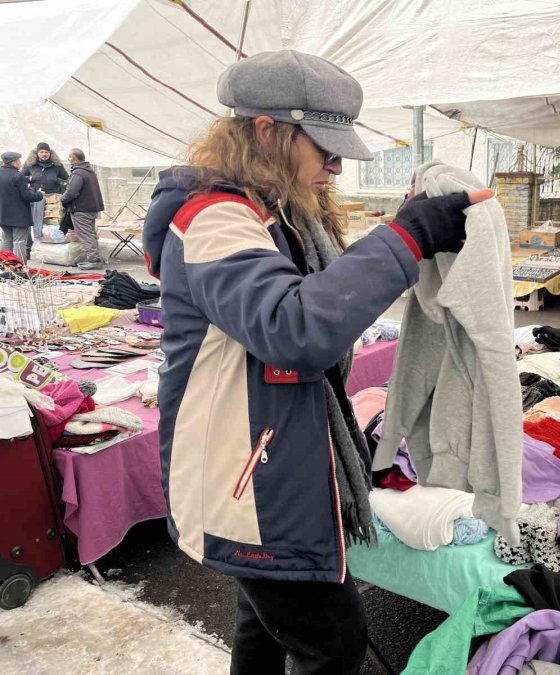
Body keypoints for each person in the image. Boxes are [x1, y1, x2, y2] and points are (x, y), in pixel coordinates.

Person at [141, 50, 492, 675]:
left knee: (267, 624)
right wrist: (405, 238)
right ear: (267, 131)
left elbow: (318, 292)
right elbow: (294, 326)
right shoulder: (216, 220)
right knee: (331, 642)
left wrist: (400, 234)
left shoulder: (270, 213)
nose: (334, 165)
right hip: (248, 476)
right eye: (323, 146)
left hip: (266, 461)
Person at [59, 148, 104, 269]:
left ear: (74, 158)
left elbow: (72, 192)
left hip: (81, 209)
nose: (68, 159)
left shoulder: (78, 173)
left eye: (69, 156)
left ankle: (93, 260)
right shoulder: (89, 171)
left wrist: (62, 199)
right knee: (91, 234)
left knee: (86, 235)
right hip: (91, 208)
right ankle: (94, 258)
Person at [21, 141, 68, 255]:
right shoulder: (30, 164)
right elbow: (21, 178)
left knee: (50, 223)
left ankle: (48, 250)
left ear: (50, 153)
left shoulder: (57, 165)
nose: (44, 154)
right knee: (30, 222)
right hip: (34, 197)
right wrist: (30, 179)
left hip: (53, 198)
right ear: (37, 153)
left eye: (46, 152)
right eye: (41, 152)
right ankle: (27, 248)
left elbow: (67, 180)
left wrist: (57, 180)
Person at [0, 151, 43, 262]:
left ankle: (6, 266)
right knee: (19, 242)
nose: (20, 162)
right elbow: (27, 196)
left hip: (3, 215)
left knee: (6, 241)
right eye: (18, 160)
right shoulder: (18, 176)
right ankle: (20, 268)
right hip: (19, 216)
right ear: (13, 162)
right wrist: (39, 194)